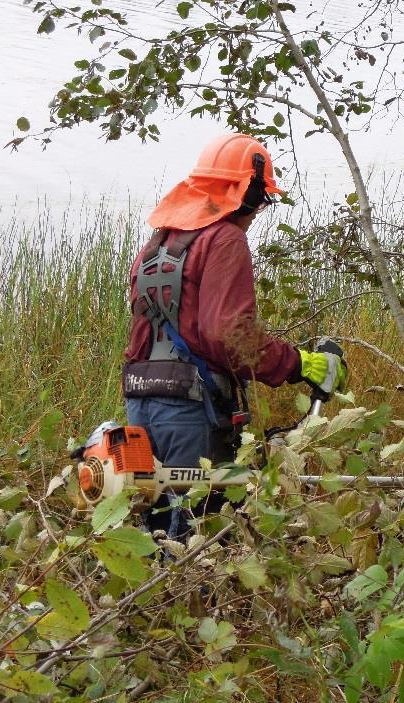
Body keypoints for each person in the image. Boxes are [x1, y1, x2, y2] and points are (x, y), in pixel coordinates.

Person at [122, 133, 348, 537]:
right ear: (244, 195)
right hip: (190, 412)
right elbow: (230, 334)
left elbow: (144, 333)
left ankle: (148, 600)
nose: (258, 212)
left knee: (154, 524)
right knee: (197, 533)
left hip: (139, 403)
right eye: (260, 201)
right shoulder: (225, 238)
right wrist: (300, 364)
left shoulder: (156, 245)